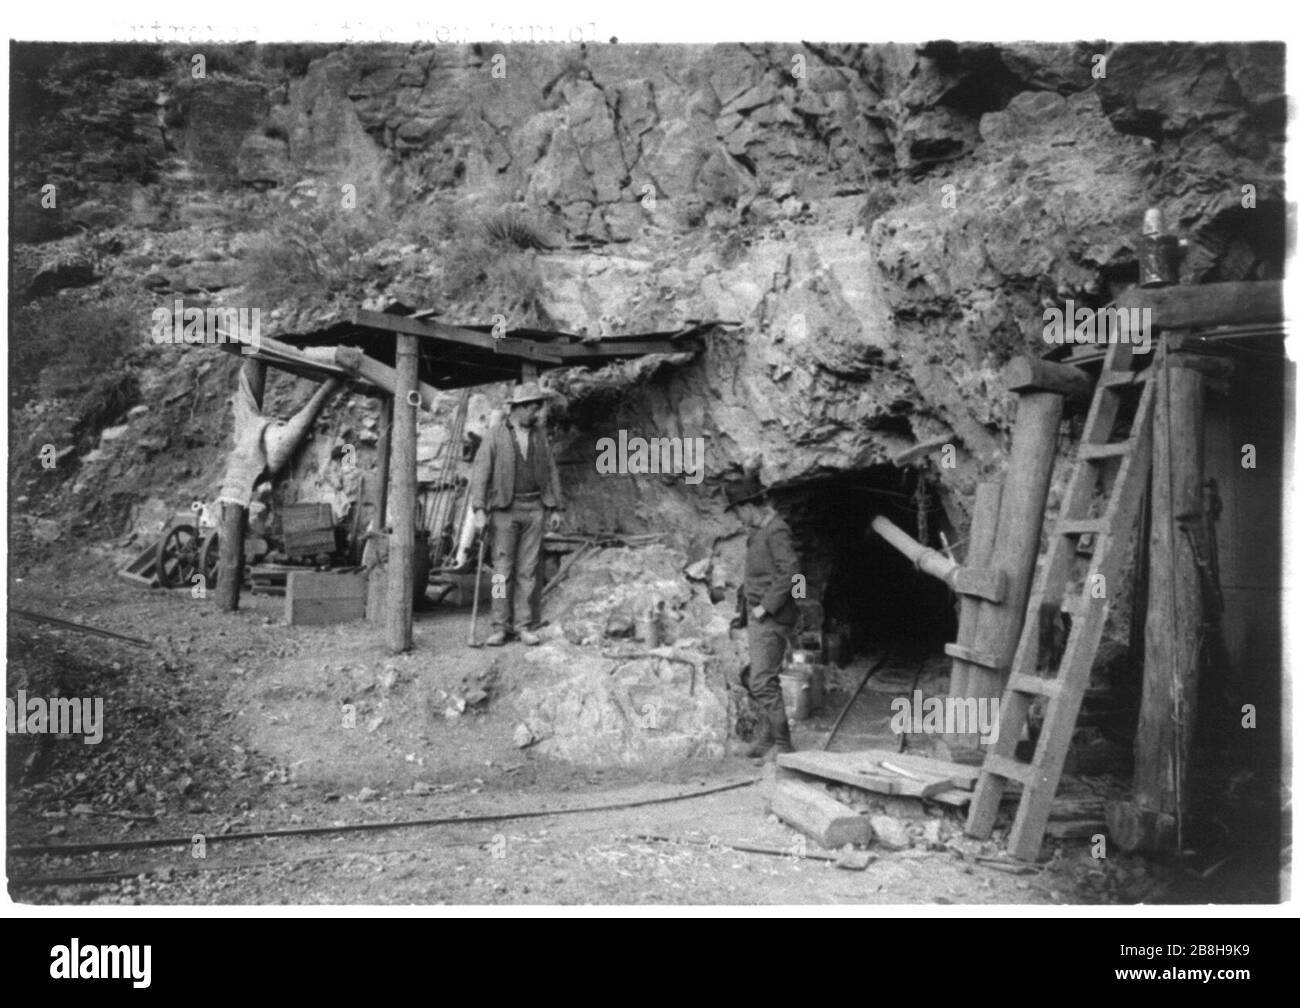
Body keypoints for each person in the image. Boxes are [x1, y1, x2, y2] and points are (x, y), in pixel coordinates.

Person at [469, 382, 564, 646]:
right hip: (504, 512)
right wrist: (479, 509)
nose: (537, 414)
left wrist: (555, 506)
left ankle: (523, 625)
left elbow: (551, 470)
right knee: (501, 572)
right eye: (534, 408)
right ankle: (501, 626)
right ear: (520, 408)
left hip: (535, 509)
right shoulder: (495, 435)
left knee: (529, 571)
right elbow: (481, 471)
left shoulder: (539, 435)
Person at [726, 472, 800, 760]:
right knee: (761, 678)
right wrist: (744, 611)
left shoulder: (776, 530)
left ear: (748, 507)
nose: (737, 518)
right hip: (758, 618)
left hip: (772, 618)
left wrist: (764, 607)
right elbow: (759, 576)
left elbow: (791, 573)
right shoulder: (758, 533)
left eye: (737, 512)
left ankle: (783, 745)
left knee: (761, 682)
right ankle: (770, 737)